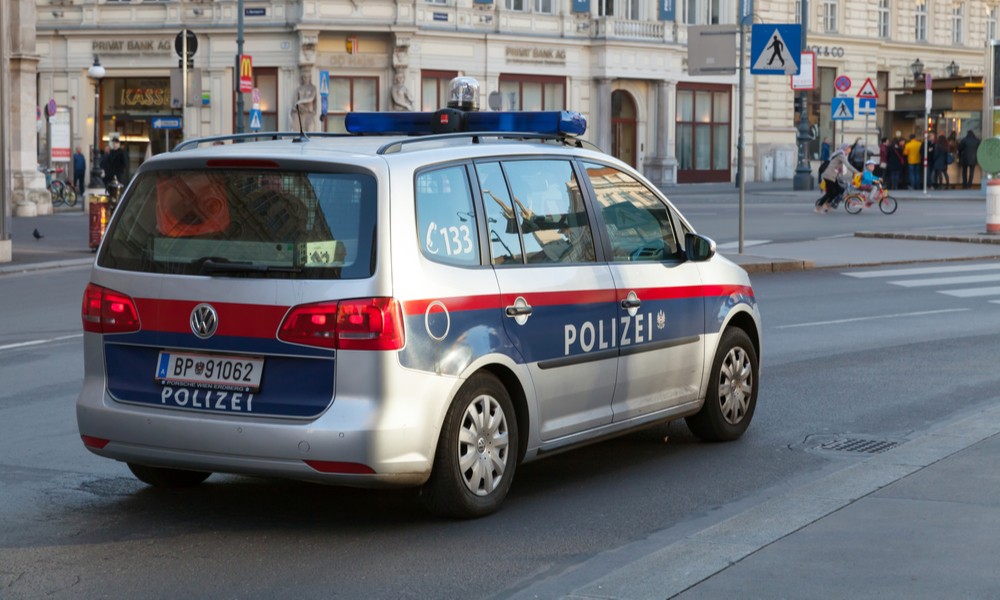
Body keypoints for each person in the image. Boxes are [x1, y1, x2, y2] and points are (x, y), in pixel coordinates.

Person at [815, 143, 859, 213]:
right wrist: (857, 172)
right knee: (830, 193)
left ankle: (827, 204)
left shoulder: (840, 154)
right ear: (845, 148)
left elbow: (839, 167)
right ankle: (818, 207)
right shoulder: (841, 155)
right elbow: (848, 165)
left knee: (839, 190)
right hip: (829, 176)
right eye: (849, 149)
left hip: (833, 176)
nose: (850, 151)